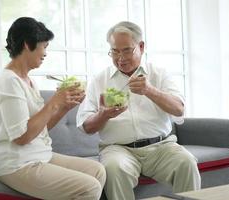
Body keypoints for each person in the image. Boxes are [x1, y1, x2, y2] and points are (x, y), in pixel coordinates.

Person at [76, 21, 201, 200]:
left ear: (141, 47)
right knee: (114, 168)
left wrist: (149, 90)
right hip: (118, 149)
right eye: (115, 51)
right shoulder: (99, 80)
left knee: (186, 163)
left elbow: (179, 109)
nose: (121, 58)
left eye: (127, 50)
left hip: (161, 147)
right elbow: (85, 126)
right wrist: (103, 115)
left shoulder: (158, 74)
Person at [0, 17, 106, 200]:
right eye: (44, 46)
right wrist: (53, 103)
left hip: (38, 155)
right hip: (15, 163)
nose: (45, 53)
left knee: (97, 171)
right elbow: (21, 137)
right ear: (27, 44)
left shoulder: (28, 80)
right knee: (89, 187)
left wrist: (64, 107)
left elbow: (40, 128)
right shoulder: (8, 81)